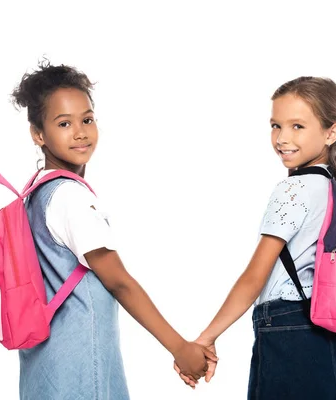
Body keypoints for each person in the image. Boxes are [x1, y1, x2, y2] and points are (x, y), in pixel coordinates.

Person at [175, 76, 336, 399]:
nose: (282, 138)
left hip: (286, 329)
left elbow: (254, 277)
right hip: (327, 337)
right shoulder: (335, 192)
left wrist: (206, 337)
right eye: (276, 126)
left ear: (331, 132)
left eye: (297, 126)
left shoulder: (293, 189)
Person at [12, 60, 216, 400]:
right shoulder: (69, 197)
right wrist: (180, 347)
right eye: (64, 123)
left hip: (46, 369)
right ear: (38, 134)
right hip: (79, 367)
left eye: (87, 119)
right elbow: (119, 281)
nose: (80, 132)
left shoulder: (36, 194)